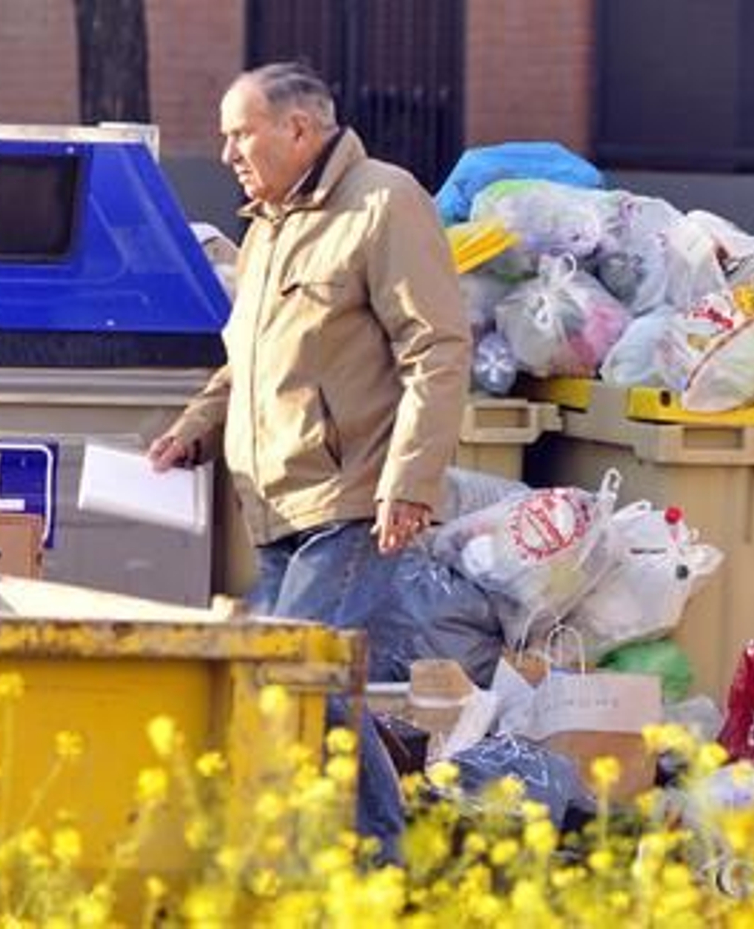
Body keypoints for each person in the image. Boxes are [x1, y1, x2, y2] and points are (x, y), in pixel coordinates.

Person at [148, 62, 471, 853]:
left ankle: (372, 857)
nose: (226, 151)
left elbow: (438, 348)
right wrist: (194, 426)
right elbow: (247, 361)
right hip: (276, 503)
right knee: (307, 681)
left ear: (298, 129)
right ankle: (354, 855)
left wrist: (409, 481)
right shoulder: (267, 226)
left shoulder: (384, 202)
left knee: (294, 672)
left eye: (239, 132)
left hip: (351, 499)